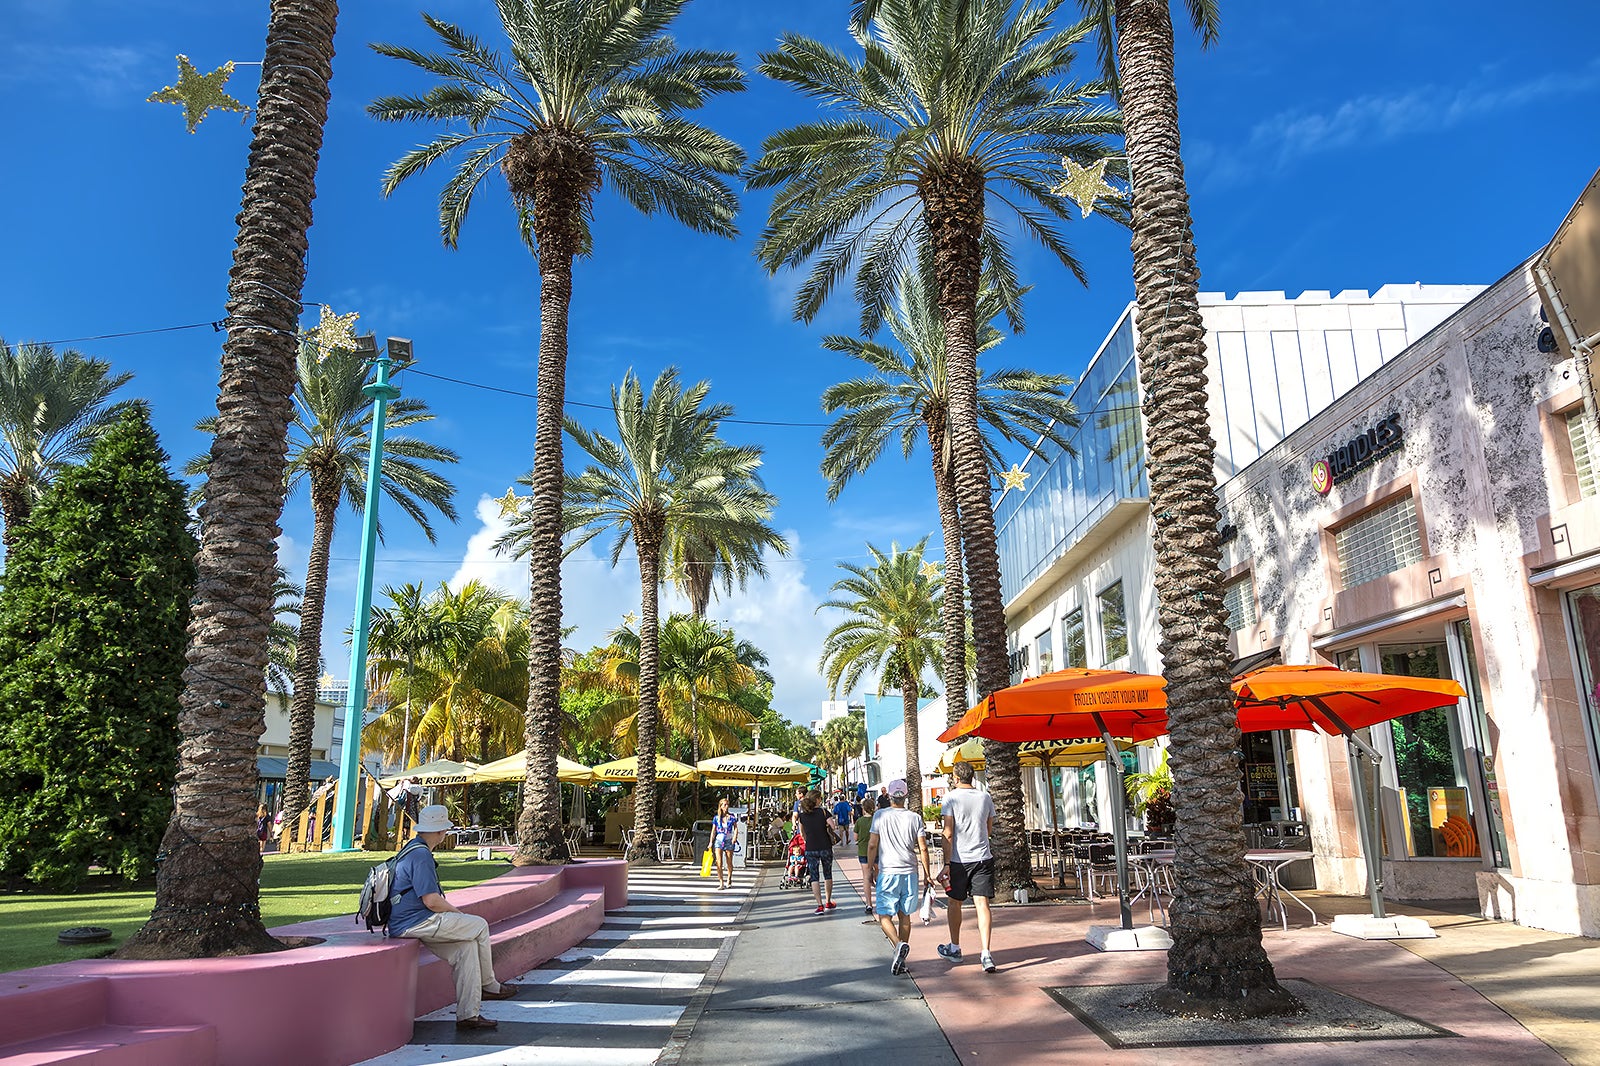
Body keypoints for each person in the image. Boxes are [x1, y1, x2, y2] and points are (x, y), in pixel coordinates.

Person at [389, 805, 520, 1031]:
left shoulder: (412, 848)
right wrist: (458, 914)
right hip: (418, 921)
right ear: (441, 832)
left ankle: (468, 1015)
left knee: (465, 949)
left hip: (408, 922)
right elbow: (431, 900)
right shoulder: (421, 855)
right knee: (479, 926)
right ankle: (489, 985)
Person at [938, 761, 998, 973]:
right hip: (982, 857)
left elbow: (948, 832)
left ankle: (955, 948)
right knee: (982, 905)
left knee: (955, 903)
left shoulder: (951, 798)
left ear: (955, 777)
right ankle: (986, 953)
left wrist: (946, 863)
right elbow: (988, 828)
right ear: (972, 777)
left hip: (958, 860)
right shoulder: (985, 796)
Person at [867, 780, 931, 975]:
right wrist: (928, 875)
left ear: (890, 797)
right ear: (905, 796)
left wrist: (870, 868)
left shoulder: (880, 815)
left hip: (888, 871)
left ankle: (897, 946)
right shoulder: (915, 818)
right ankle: (901, 957)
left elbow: (872, 844)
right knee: (905, 916)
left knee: (884, 916)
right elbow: (923, 847)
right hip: (909, 872)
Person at [795, 789, 840, 914]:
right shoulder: (824, 812)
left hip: (811, 848)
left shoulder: (802, 816)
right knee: (827, 874)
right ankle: (828, 901)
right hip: (825, 846)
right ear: (817, 800)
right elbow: (833, 826)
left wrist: (807, 839)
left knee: (814, 876)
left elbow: (802, 834)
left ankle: (819, 905)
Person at [854, 795, 876, 914]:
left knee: (866, 877)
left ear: (863, 809)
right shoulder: (876, 820)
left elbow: (855, 837)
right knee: (880, 875)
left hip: (863, 852)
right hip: (877, 851)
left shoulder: (859, 821)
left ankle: (868, 904)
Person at [711, 797, 739, 890]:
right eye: (724, 805)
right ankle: (721, 882)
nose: (726, 807)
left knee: (729, 862)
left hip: (728, 840)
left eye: (727, 805)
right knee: (719, 862)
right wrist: (711, 842)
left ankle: (729, 878)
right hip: (719, 840)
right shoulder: (716, 818)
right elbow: (713, 831)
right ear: (721, 806)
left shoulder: (731, 818)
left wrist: (735, 837)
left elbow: (735, 828)